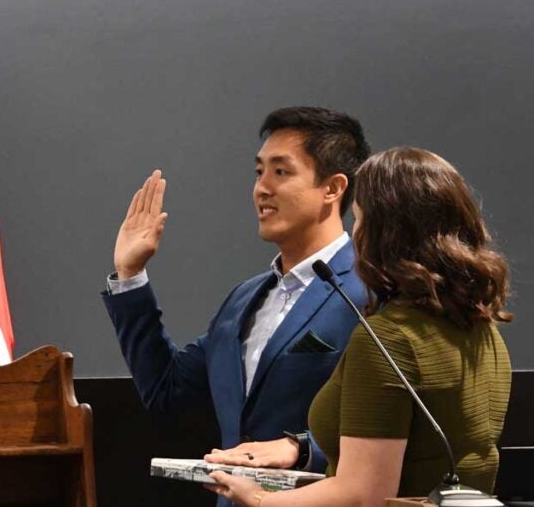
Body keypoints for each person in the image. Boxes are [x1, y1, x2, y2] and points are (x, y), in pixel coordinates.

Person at [207, 147, 513, 506]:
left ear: (384, 234)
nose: (356, 237)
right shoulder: (483, 332)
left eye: (359, 220)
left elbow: (360, 494)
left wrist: (257, 498)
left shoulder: (388, 339)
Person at [103, 107, 371, 506]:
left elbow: (399, 424)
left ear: (332, 189)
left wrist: (301, 447)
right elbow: (168, 392)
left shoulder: (370, 291)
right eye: (259, 172)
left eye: (281, 172)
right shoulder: (244, 299)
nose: (262, 188)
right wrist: (130, 274)